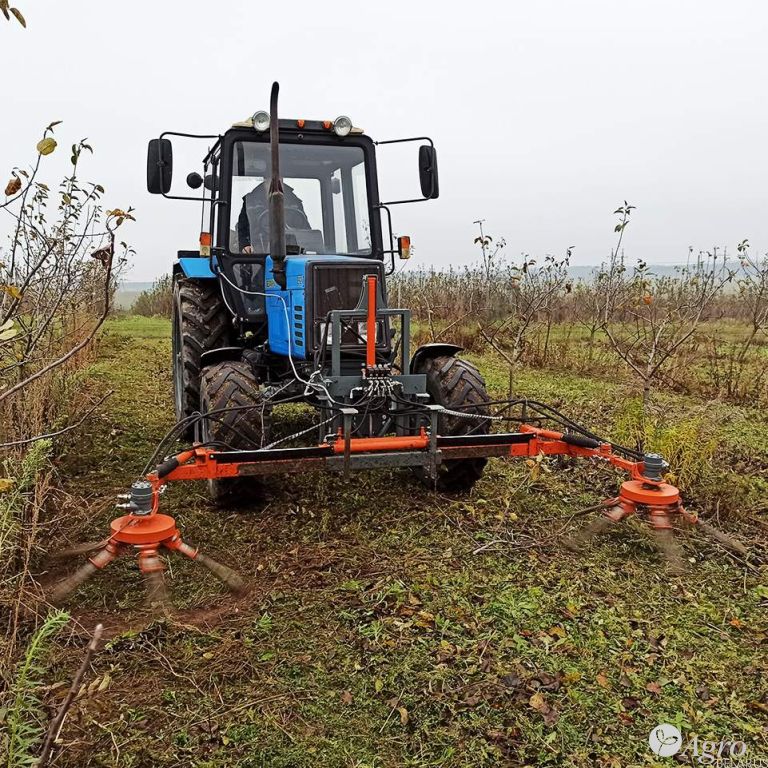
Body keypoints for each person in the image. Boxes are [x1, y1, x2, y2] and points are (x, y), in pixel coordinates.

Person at [237, 180, 307, 254]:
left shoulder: (294, 201)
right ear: (265, 181)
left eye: (279, 178)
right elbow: (242, 229)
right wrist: (245, 245)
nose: (275, 185)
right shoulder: (250, 202)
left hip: (291, 250)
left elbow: (305, 228)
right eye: (270, 180)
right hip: (258, 252)